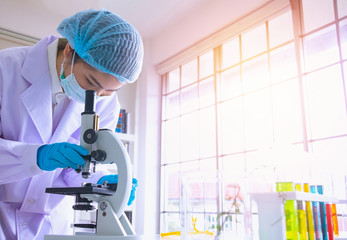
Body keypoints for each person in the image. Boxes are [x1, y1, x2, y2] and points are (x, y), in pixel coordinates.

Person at [0, 9, 144, 240]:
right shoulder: (5, 69)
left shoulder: (107, 102)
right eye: (91, 82)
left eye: (108, 90)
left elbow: (80, 166)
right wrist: (32, 157)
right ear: (69, 52)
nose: (96, 96)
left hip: (52, 225)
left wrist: (100, 180)